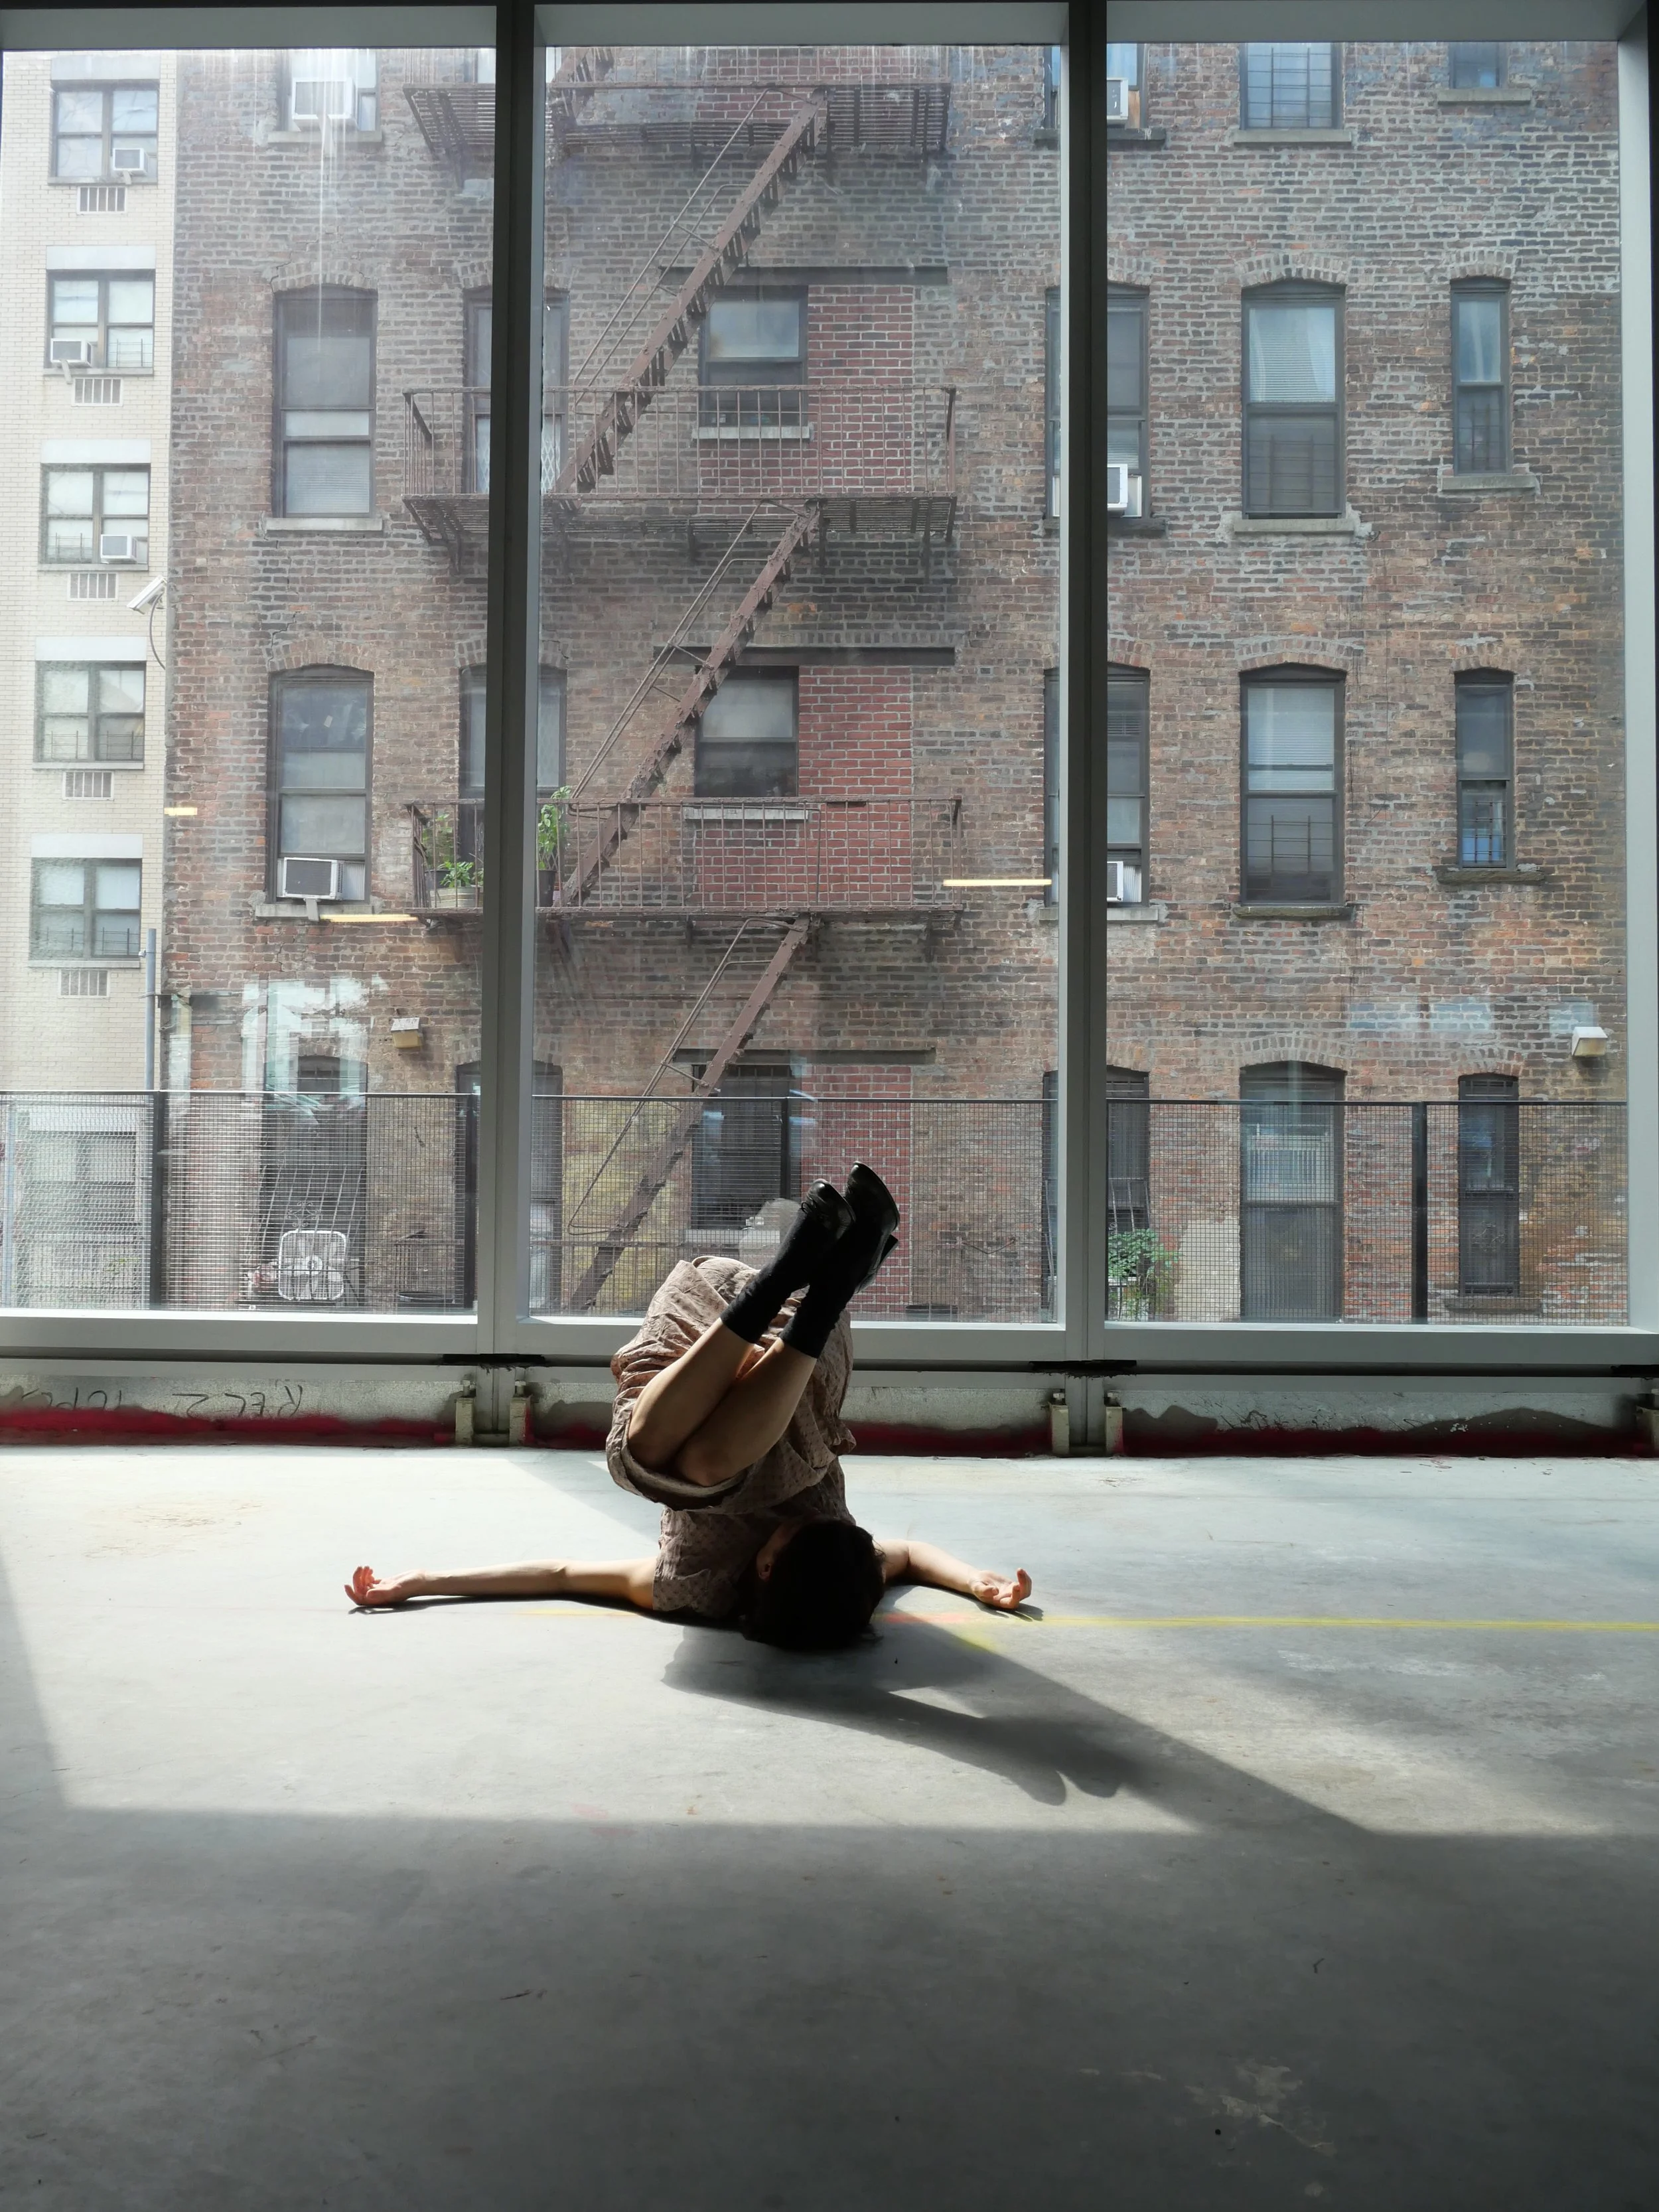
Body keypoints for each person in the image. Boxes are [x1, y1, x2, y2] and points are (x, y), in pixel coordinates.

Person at [345, 1165, 1031, 1648]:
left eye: (796, 1532)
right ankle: (822, 1291)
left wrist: (424, 1580)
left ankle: (804, 1280)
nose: (807, 1519)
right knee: (690, 1464)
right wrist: (979, 1582)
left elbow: (559, 1575)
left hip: (705, 1333)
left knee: (661, 1462)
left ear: (765, 1569)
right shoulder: (847, 1569)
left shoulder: (695, 1587)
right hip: (798, 1367)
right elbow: (908, 1555)